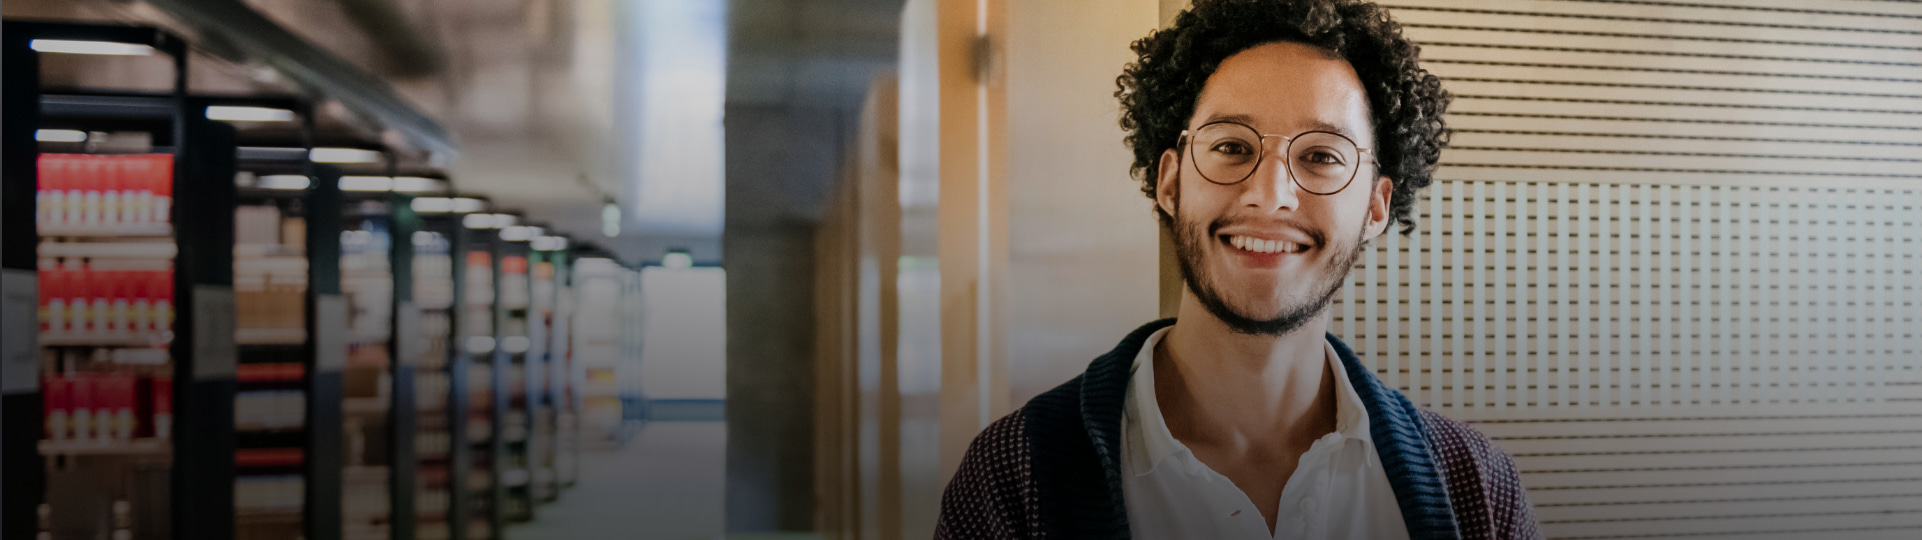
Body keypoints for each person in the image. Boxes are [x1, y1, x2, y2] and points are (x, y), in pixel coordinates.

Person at [934, 0, 1539, 538]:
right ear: (1170, 182)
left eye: (1322, 155)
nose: (1269, 194)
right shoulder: (1012, 479)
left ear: (1377, 206)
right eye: (1231, 147)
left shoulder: (1476, 490)